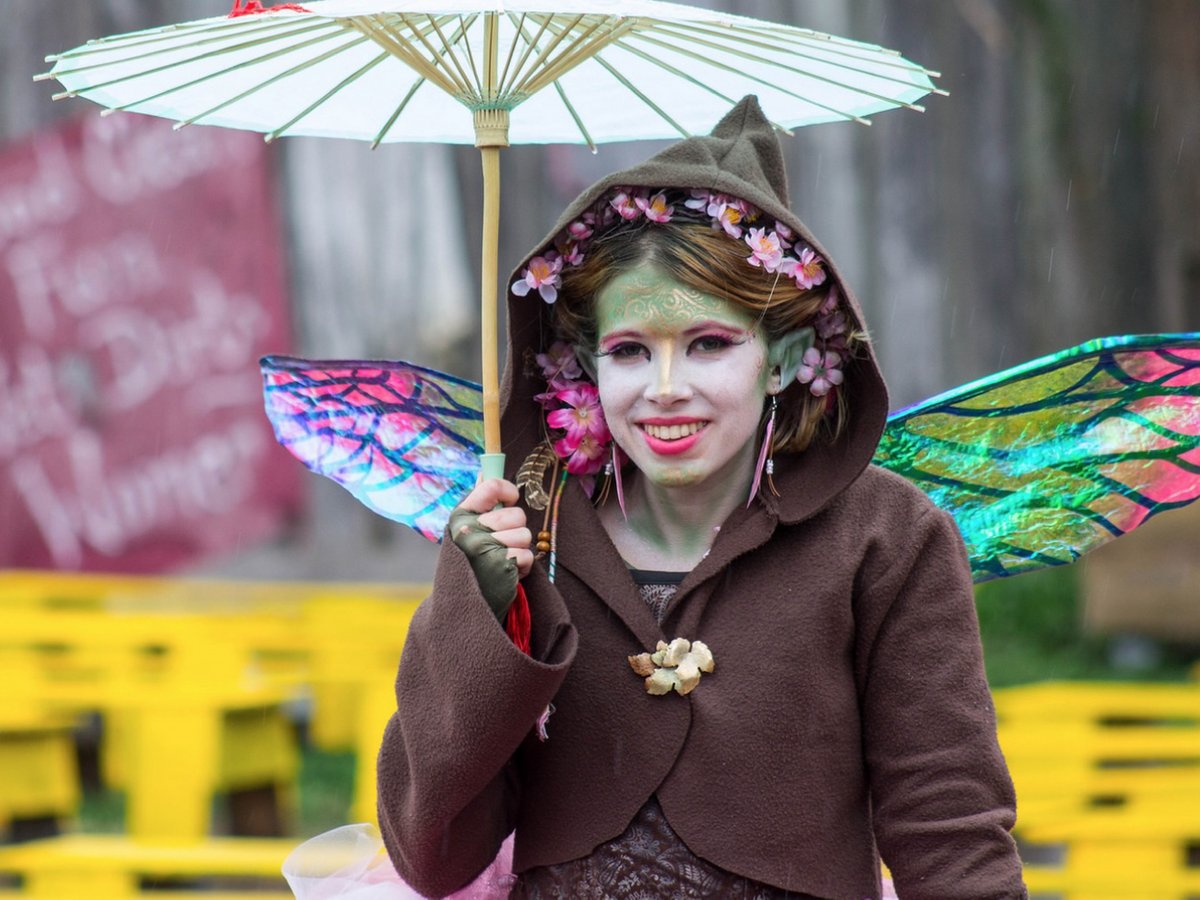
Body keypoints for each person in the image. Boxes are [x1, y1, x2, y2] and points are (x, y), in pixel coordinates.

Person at [372, 97, 1028, 899]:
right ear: (586, 366)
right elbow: (428, 854)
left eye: (710, 344)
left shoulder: (887, 537)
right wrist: (474, 615)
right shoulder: (527, 534)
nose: (666, 390)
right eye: (629, 351)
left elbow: (949, 830)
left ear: (785, 358)